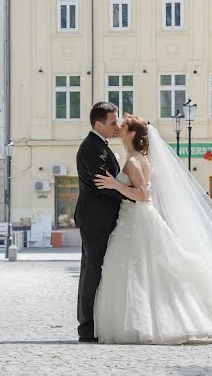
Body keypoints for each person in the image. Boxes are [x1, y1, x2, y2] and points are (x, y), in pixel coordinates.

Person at [91, 115, 212, 344]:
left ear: (132, 134)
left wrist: (115, 184)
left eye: (124, 126)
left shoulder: (134, 161)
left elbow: (143, 195)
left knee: (143, 270)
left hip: (137, 219)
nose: (119, 127)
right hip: (134, 219)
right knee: (147, 271)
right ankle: (146, 321)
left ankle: (156, 322)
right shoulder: (138, 158)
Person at [74, 102, 131, 343]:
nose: (117, 126)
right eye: (112, 122)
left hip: (98, 218)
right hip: (96, 219)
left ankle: (91, 323)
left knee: (92, 269)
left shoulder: (99, 145)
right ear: (98, 124)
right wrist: (132, 196)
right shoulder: (92, 148)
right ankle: (87, 327)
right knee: (92, 271)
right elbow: (102, 183)